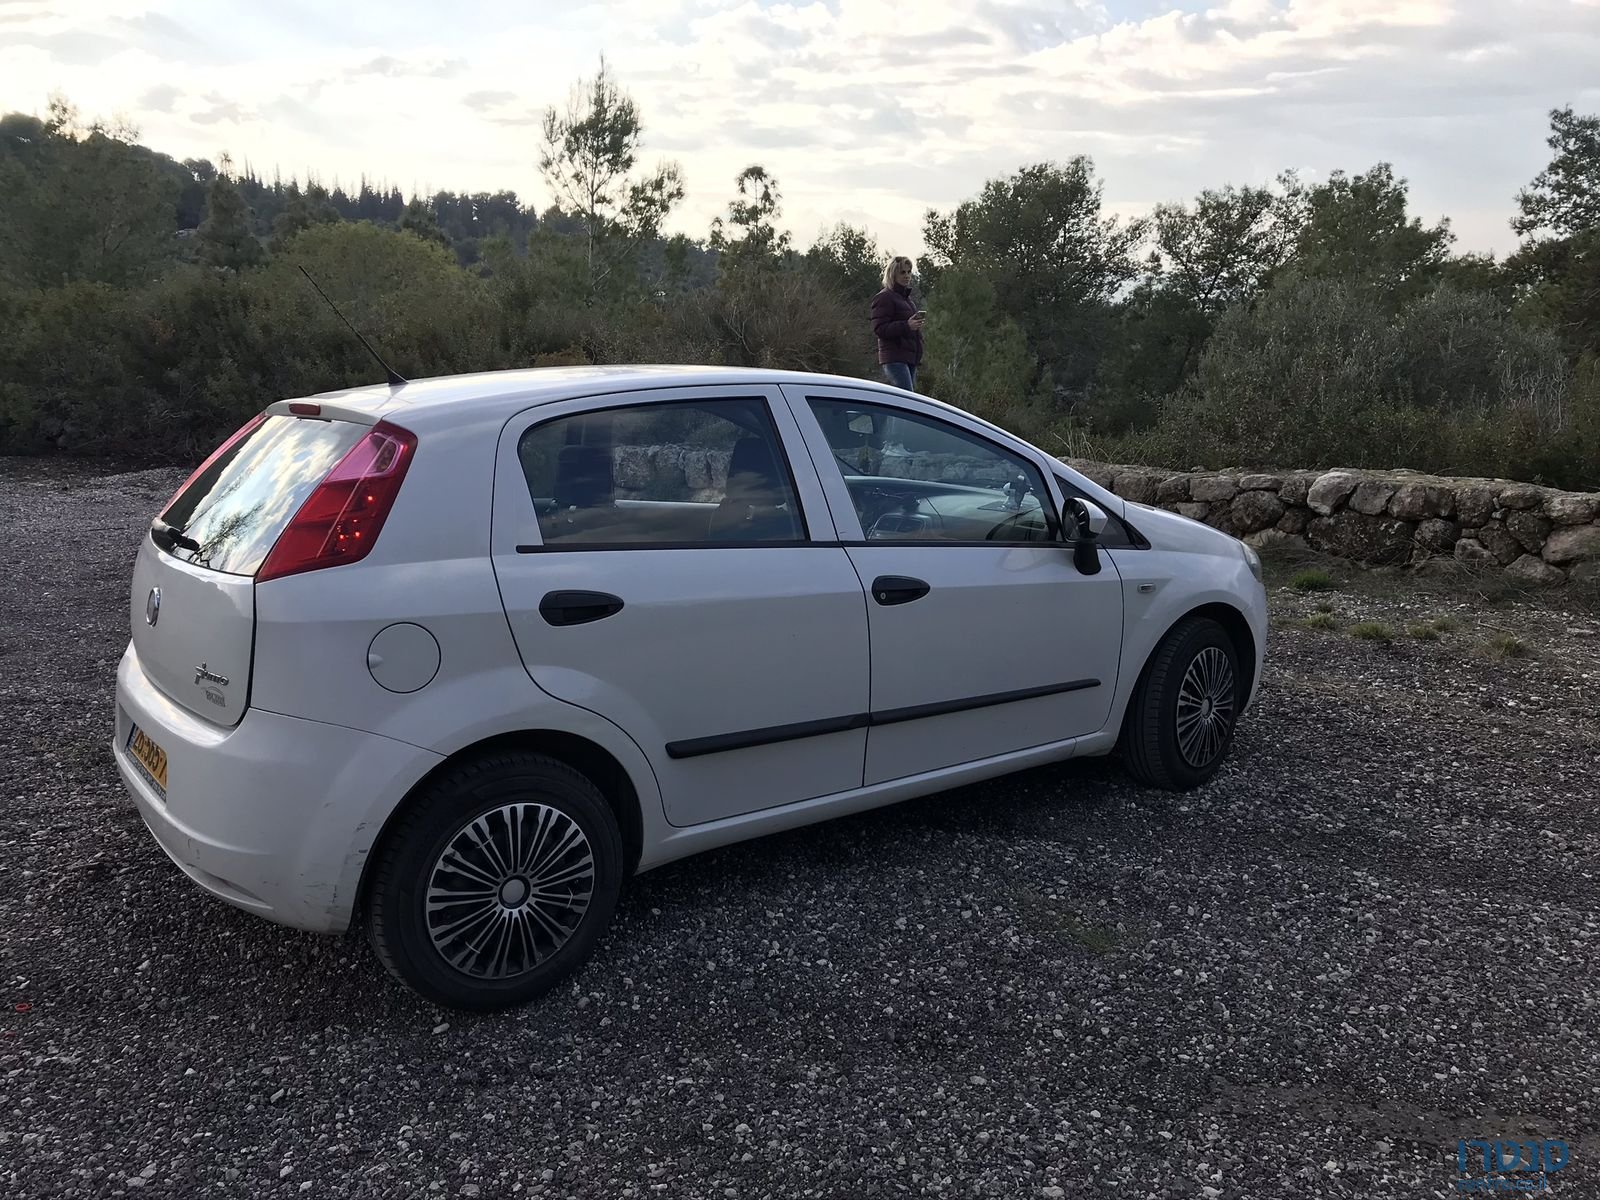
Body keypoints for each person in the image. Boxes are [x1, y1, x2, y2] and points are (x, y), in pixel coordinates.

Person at [870, 255, 924, 391]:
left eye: (909, 272)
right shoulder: (884, 297)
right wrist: (907, 325)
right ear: (893, 274)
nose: (907, 276)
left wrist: (914, 326)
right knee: (906, 399)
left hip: (909, 358)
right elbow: (879, 329)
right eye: (902, 272)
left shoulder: (906, 299)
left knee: (908, 399)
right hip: (895, 358)